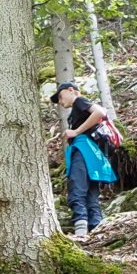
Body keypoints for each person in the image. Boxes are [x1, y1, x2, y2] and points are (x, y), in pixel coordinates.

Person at [52, 81, 118, 241]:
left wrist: (75, 131)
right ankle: (96, 229)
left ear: (71, 90)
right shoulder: (78, 108)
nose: (60, 101)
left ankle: (81, 230)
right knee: (91, 194)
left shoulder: (79, 101)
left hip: (83, 150)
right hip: (94, 155)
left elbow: (100, 112)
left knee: (77, 189)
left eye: (60, 96)